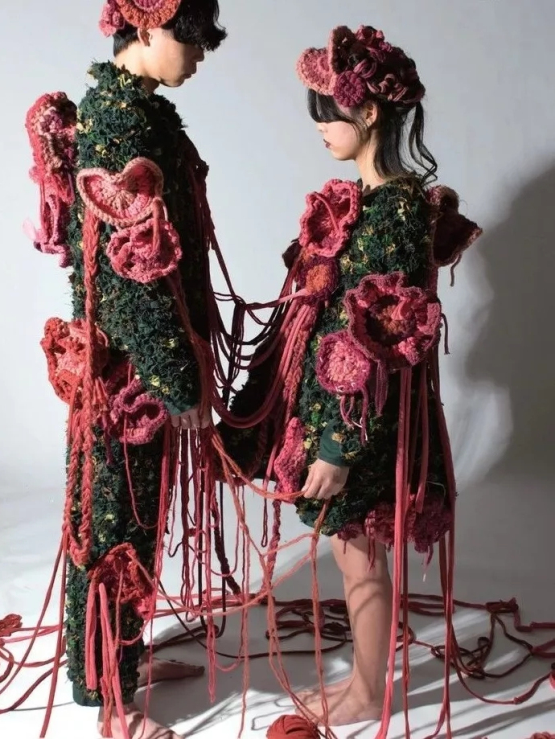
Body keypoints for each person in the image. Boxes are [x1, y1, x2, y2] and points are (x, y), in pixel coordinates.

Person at [219, 24, 481, 728]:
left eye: (328, 114)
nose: (320, 128)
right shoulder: (369, 201)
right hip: (338, 405)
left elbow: (375, 339)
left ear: (367, 112)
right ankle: (369, 680)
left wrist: (337, 447)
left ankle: (368, 691)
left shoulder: (393, 210)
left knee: (359, 548)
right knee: (349, 545)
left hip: (360, 414)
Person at [26, 1, 227, 738]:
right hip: (125, 376)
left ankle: (124, 658)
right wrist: (178, 379)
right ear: (145, 28)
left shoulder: (145, 112)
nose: (199, 55)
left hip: (140, 366)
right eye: (190, 38)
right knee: (111, 523)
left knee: (133, 517)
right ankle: (106, 697)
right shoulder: (119, 122)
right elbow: (128, 280)